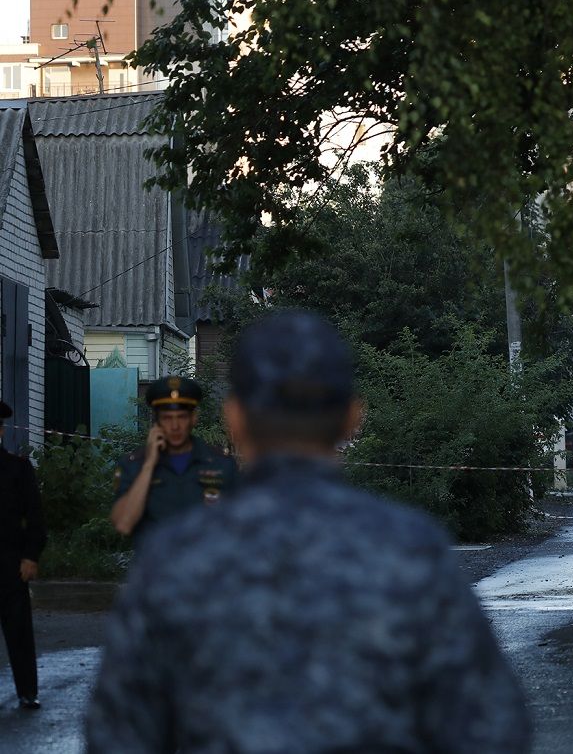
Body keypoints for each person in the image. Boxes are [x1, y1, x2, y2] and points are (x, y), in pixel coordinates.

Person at [85, 311, 531, 753]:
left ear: (235, 420)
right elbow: (492, 729)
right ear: (352, 418)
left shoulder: (173, 558)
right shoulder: (410, 548)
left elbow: (118, 736)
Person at [109, 375, 239, 542]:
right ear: (156, 422)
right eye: (167, 418)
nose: (175, 426)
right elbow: (123, 524)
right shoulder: (133, 464)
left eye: (181, 417)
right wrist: (149, 466)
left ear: (193, 418)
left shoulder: (221, 463)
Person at [0, 401, 45, 710]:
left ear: (1, 431)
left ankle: (27, 691)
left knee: (18, 630)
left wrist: (31, 556)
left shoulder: (17, 469)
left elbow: (35, 518)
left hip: (9, 562)